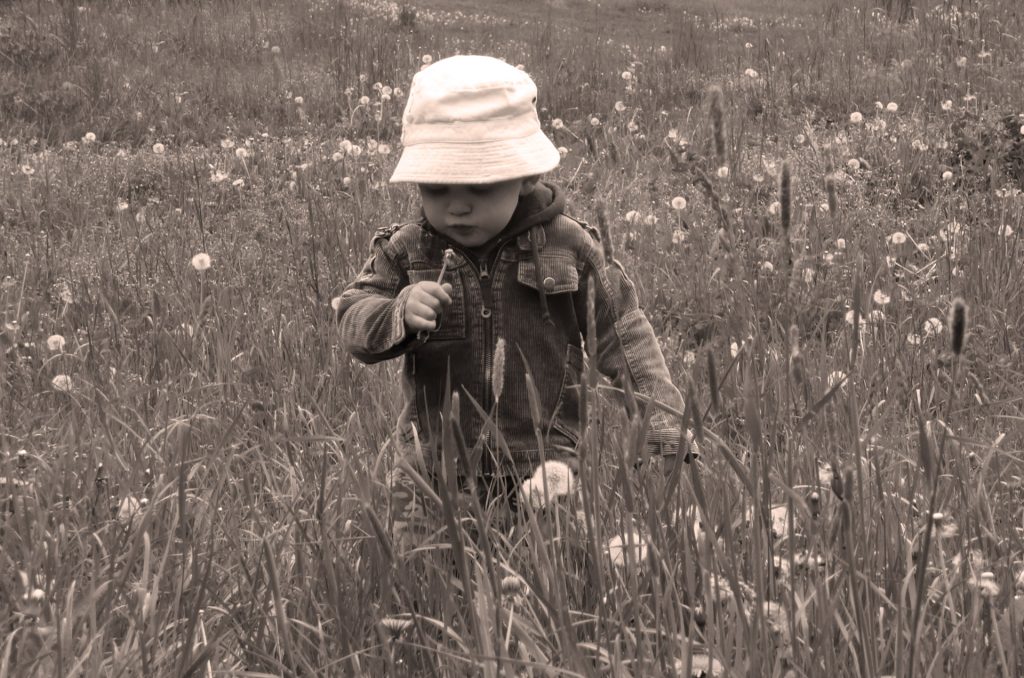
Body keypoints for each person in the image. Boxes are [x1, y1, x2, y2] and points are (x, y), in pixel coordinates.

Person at [334, 55, 685, 538]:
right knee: (423, 588)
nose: (456, 205)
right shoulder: (409, 250)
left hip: (545, 466)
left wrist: (662, 425)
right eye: (436, 188)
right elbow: (352, 315)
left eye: (479, 185)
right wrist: (397, 312)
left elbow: (623, 332)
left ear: (525, 176)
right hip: (432, 472)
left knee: (552, 586)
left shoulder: (569, 246)